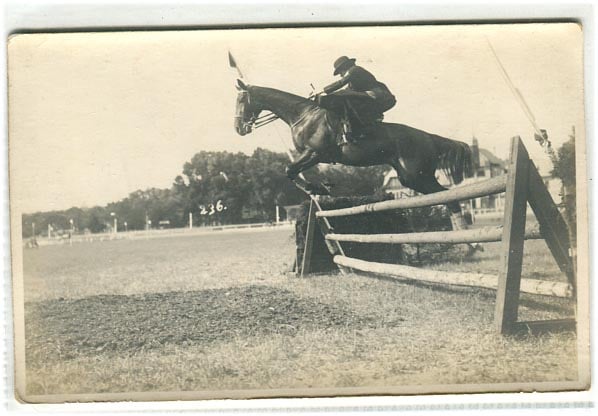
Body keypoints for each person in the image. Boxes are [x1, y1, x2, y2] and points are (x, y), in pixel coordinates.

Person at [319, 56, 396, 142]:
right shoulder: (353, 80)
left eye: (340, 72)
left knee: (344, 96)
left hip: (380, 96)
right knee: (342, 94)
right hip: (371, 96)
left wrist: (323, 91)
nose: (340, 75)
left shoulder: (355, 70)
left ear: (345, 67)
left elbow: (341, 82)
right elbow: (344, 90)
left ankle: (366, 123)